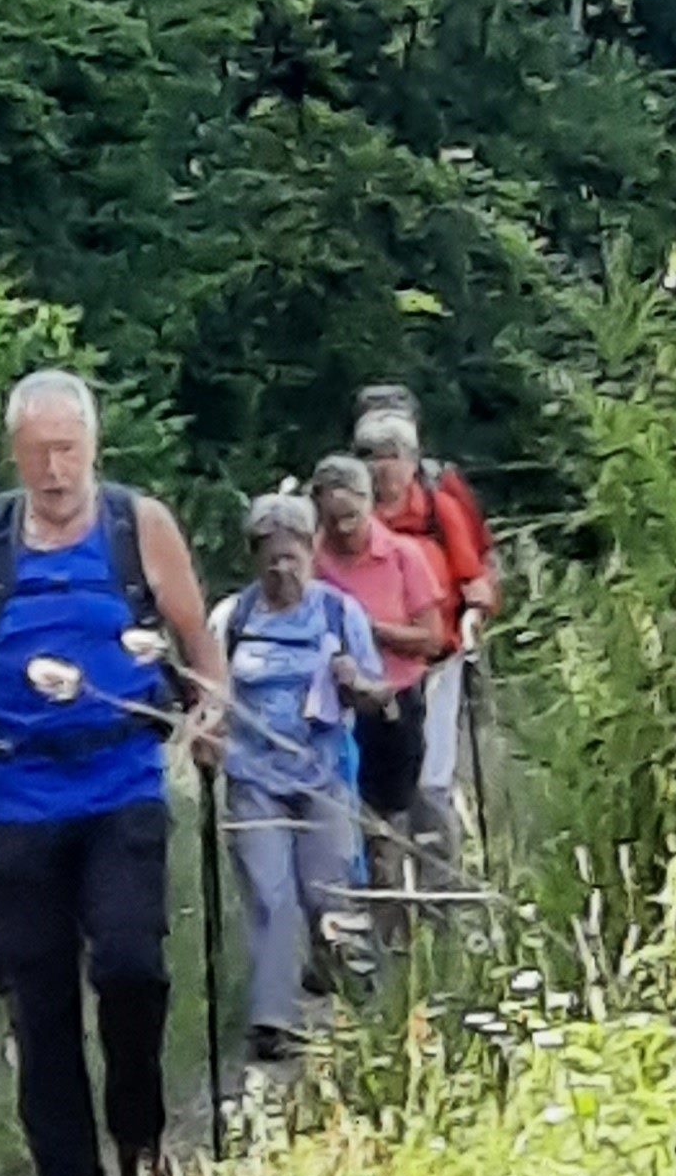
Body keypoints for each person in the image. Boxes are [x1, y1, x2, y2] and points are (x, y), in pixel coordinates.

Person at [0, 369, 226, 1176]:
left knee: (131, 968)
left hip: (122, 778)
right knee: (37, 991)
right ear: (13, 454)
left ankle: (141, 1149)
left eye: (69, 449)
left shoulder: (138, 526)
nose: (54, 469)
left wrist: (208, 715)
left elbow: (199, 647)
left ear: (93, 445)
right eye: (37, 452)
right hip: (18, 789)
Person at [210, 492, 383, 1058]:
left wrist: (355, 681)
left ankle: (359, 1003)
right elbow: (209, 696)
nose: (282, 569)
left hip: (323, 774)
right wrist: (206, 736)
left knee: (329, 893)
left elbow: (379, 697)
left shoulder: (339, 613)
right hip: (252, 778)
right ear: (253, 558)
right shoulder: (232, 618)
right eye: (271, 557)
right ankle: (273, 1020)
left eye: (292, 556)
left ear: (312, 552)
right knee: (269, 893)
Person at [352, 399, 500, 861]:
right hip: (368, 669)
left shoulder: (439, 506)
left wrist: (477, 610)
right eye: (371, 454)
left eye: (392, 453)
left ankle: (441, 895)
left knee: (431, 781)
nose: (382, 466)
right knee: (375, 783)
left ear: (412, 460)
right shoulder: (348, 516)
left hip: (436, 662)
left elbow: (473, 575)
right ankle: (385, 901)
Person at [311, 451, 447, 854]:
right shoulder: (310, 561)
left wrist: (368, 629)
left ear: (368, 503)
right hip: (330, 706)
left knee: (390, 814)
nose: (341, 529)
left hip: (394, 701)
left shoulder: (404, 555)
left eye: (350, 517)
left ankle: (398, 898)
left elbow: (431, 639)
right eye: (331, 520)